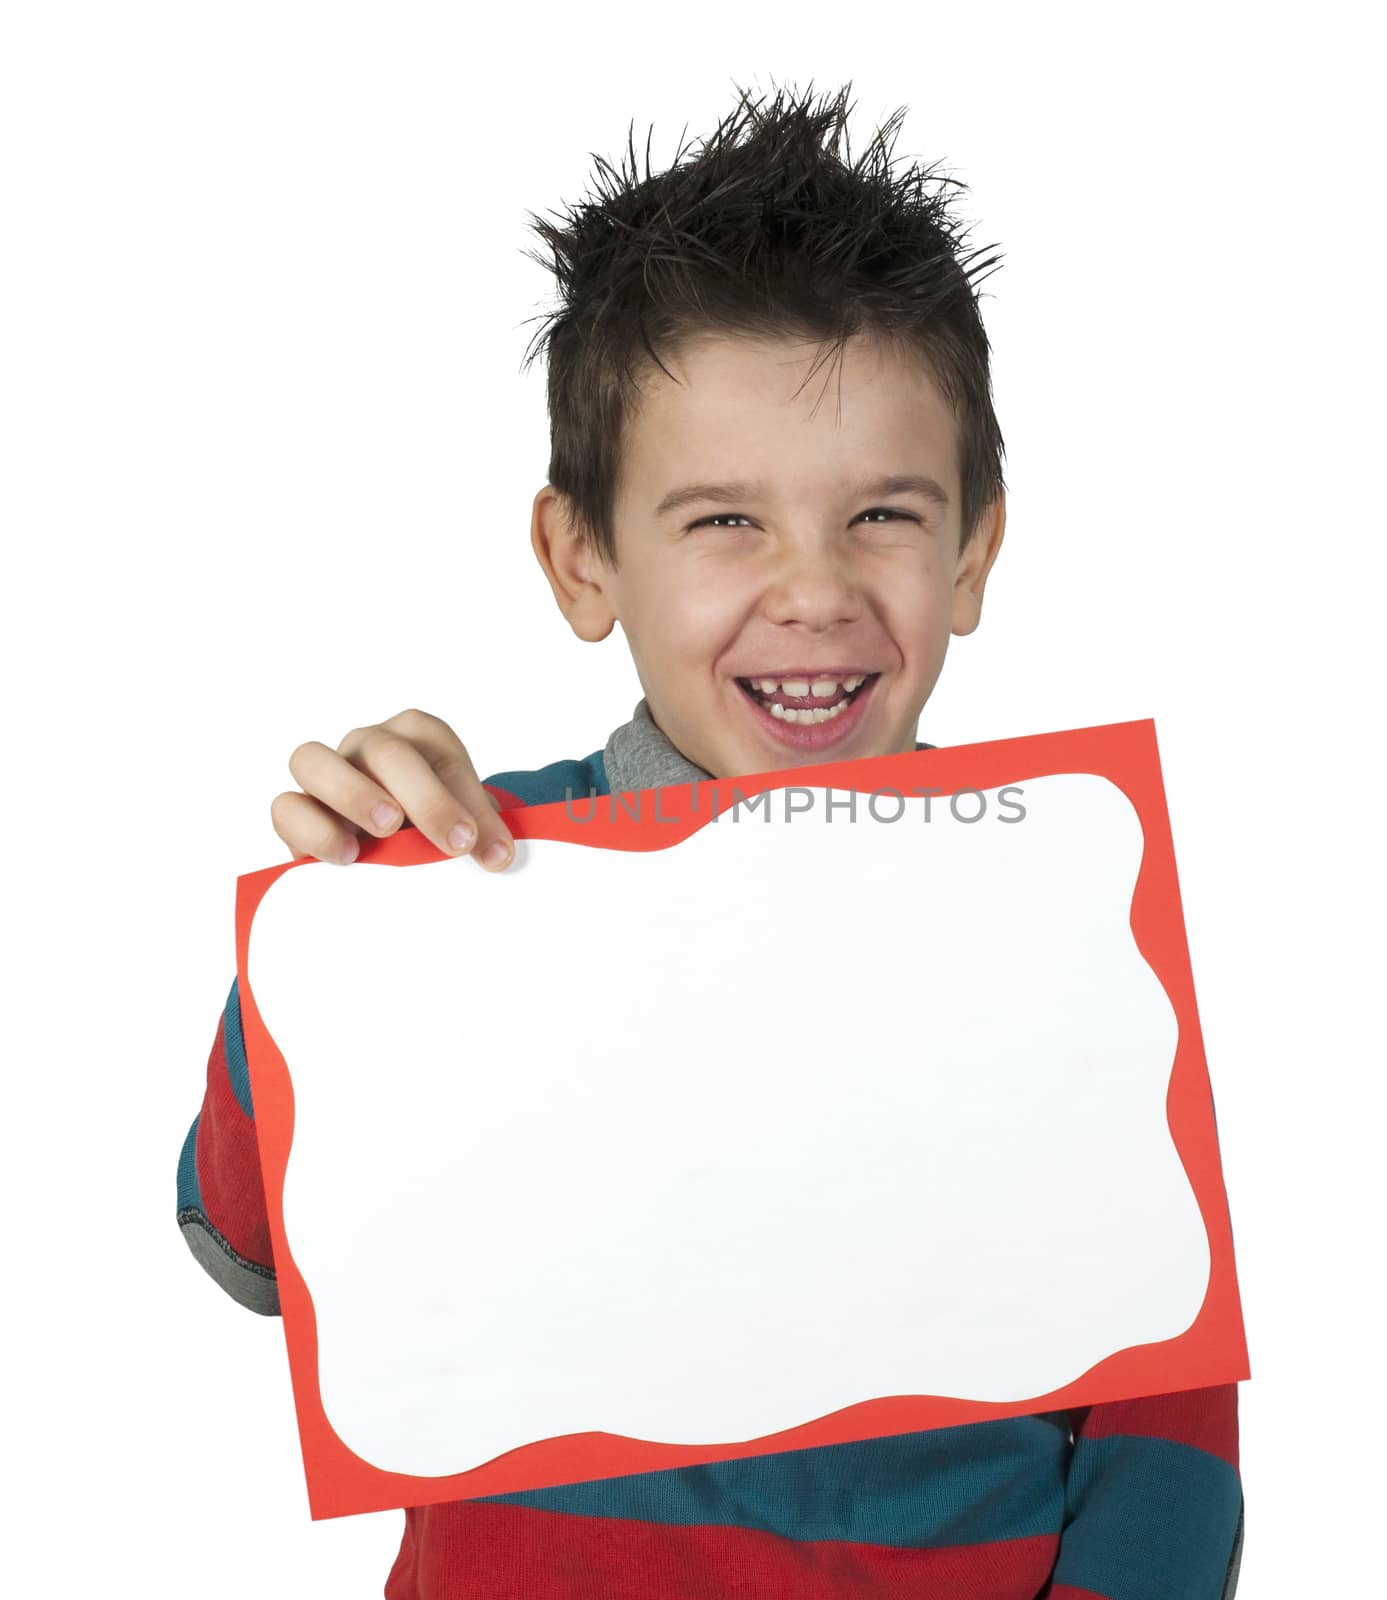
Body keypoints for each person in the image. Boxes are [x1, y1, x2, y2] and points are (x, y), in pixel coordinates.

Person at [176, 79, 1244, 1600]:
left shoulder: (1069, 918)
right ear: (582, 556)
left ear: (973, 552)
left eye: (882, 514)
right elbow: (247, 1250)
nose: (811, 590)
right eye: (723, 521)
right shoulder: (467, 880)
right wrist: (338, 926)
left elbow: (1163, 1425)